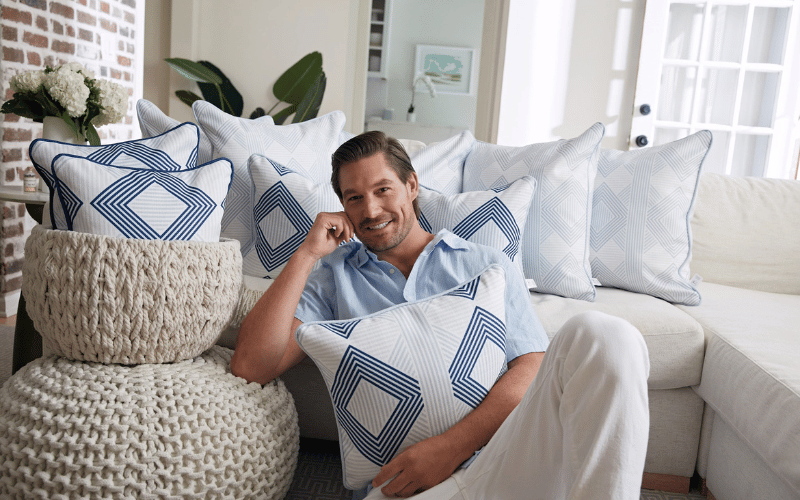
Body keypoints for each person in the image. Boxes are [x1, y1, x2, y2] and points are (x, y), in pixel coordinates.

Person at [231, 131, 650, 500]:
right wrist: (305, 255)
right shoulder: (332, 278)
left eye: (383, 190)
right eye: (354, 198)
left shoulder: (486, 264)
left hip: (504, 460)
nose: (371, 210)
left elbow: (531, 365)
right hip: (404, 486)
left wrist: (451, 448)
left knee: (606, 334)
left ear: (411, 185)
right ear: (341, 205)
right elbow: (252, 366)